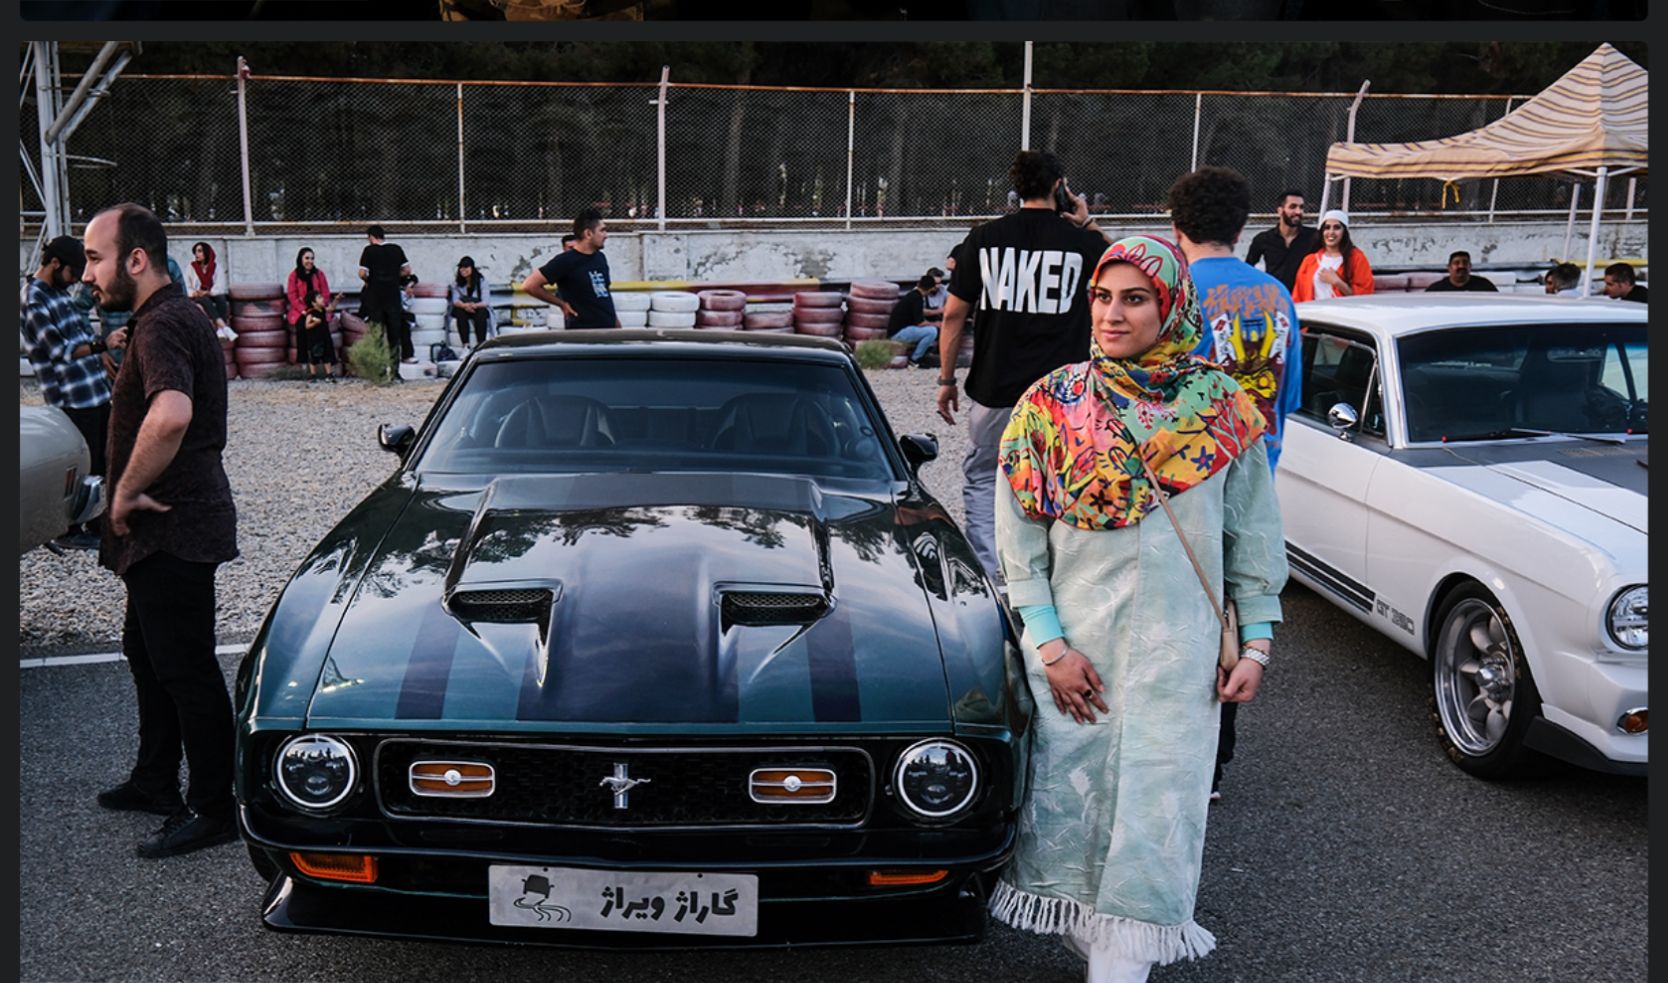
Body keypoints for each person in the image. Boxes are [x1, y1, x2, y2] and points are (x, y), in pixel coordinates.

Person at [989, 235, 1286, 983]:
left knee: (1153, 833)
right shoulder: (1048, 406)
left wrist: (1255, 647)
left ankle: (1122, 959)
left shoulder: (1223, 409)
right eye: (1103, 296)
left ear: (1172, 306)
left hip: (1178, 668)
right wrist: (1050, 649)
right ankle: (1102, 946)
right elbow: (1020, 547)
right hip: (1076, 663)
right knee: (1075, 826)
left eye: (1135, 298)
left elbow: (1251, 537)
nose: (1113, 314)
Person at [80, 202, 239, 859]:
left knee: (185, 667)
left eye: (96, 257)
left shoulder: (164, 323)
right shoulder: (163, 320)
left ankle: (213, 806)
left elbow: (172, 414)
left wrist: (126, 488)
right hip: (160, 531)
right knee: (147, 654)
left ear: (136, 259)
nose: (88, 272)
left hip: (172, 526)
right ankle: (154, 778)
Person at [1168, 166, 1302, 803]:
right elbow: (1289, 397)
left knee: (1174, 615)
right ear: (1244, 225)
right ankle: (1215, 765)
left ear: (1175, 229)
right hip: (1255, 478)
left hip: (1181, 483)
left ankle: (1170, 751)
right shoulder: (1278, 294)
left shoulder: (1168, 291)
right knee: (1233, 613)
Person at [936, 150, 1110, 589]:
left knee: (983, 477)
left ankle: (993, 575)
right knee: (1061, 476)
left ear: (1017, 191)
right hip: (1063, 394)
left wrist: (945, 379)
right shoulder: (1084, 244)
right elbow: (1124, 270)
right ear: (1060, 188)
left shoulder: (983, 239)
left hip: (995, 387)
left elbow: (954, 315)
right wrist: (1088, 224)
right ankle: (1054, 573)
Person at [20, 235, 123, 549]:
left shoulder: (58, 291)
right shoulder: (33, 299)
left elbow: (78, 330)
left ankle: (100, 521)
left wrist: (100, 355)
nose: (76, 279)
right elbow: (58, 350)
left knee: (105, 458)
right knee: (85, 463)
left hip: (93, 391)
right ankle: (72, 530)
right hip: (71, 397)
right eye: (72, 272)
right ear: (54, 264)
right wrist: (102, 344)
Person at [521, 208, 621, 329]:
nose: (606, 236)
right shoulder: (565, 261)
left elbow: (603, 293)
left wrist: (615, 322)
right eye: (602, 231)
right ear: (588, 234)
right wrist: (561, 304)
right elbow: (530, 285)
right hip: (583, 334)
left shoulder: (600, 258)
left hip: (608, 330)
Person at [357, 225, 414, 362]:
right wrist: (394, 275)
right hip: (393, 297)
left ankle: (380, 370)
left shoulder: (369, 250)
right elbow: (407, 270)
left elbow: (362, 273)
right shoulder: (396, 249)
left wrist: (370, 280)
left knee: (377, 335)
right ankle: (395, 371)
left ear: (371, 237)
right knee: (394, 335)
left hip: (375, 298)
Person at [1244, 189, 1318, 292]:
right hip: (1274, 298)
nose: (1298, 212)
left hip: (1305, 299)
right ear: (1280, 210)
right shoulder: (1263, 239)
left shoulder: (1314, 236)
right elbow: (1248, 268)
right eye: (1293, 207)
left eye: (1301, 207)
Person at [1290, 210, 1374, 302]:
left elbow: (1365, 296)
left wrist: (1337, 282)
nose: (1331, 232)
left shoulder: (1356, 257)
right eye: (1327, 227)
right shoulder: (1309, 260)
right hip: (1314, 314)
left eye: (1337, 228)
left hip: (1342, 314)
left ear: (1344, 232)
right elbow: (1298, 295)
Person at [286, 248, 340, 365]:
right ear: (301, 259)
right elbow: (292, 296)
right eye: (307, 258)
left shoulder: (319, 274)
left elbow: (325, 292)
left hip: (319, 308)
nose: (310, 261)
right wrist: (304, 310)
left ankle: (329, 361)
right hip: (302, 310)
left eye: (312, 258)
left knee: (324, 328)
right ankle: (303, 361)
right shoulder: (294, 276)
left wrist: (320, 306)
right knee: (301, 327)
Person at [887, 275, 942, 367]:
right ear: (931, 288)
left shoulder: (913, 295)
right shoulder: (917, 298)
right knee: (932, 331)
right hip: (898, 334)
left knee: (929, 330)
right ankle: (915, 359)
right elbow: (920, 323)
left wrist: (939, 310)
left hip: (898, 331)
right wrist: (936, 324)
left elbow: (921, 312)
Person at [184, 241, 235, 341]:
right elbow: (186, 284)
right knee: (204, 300)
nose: (197, 254)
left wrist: (208, 292)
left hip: (211, 294)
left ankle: (220, 330)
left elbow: (220, 285)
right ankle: (224, 327)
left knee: (221, 298)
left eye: (200, 251)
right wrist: (194, 292)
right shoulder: (191, 267)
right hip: (197, 296)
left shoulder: (215, 267)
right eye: (195, 252)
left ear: (206, 253)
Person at [449, 255, 496, 348]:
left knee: (481, 314)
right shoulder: (457, 283)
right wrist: (465, 306)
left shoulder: (482, 281)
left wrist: (474, 306)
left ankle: (481, 344)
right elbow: (455, 300)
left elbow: (485, 301)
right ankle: (465, 345)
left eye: (466, 267)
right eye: (461, 267)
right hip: (464, 307)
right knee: (460, 314)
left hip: (478, 307)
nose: (463, 270)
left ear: (472, 268)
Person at [297, 290, 339, 381]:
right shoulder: (311, 312)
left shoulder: (322, 310)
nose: (322, 299)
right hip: (314, 339)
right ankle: (313, 375)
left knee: (327, 356)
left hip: (324, 336)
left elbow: (331, 308)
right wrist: (315, 324)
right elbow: (307, 326)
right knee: (314, 357)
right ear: (313, 303)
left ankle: (329, 374)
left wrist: (337, 300)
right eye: (319, 298)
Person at [1424, 250, 1497, 292]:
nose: (1461, 266)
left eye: (1465, 263)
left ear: (1470, 266)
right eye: (1456, 263)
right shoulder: (1436, 289)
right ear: (1449, 267)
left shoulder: (1485, 286)